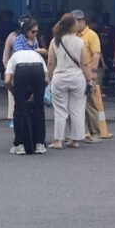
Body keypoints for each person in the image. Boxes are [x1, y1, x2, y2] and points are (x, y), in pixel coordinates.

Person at [48, 13, 91, 149]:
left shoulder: (55, 41)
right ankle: (75, 140)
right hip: (77, 78)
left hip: (59, 77)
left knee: (60, 110)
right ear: (72, 25)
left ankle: (58, 141)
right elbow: (84, 64)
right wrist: (89, 79)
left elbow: (50, 62)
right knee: (77, 109)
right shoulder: (79, 41)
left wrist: (49, 79)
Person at [5, 45, 47, 155]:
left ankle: (19, 145)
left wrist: (15, 92)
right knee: (39, 108)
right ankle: (40, 144)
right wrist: (36, 94)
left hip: (21, 69)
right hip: (38, 69)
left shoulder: (14, 56)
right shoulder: (37, 55)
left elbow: (7, 81)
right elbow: (46, 79)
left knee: (19, 110)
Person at [73, 10, 102, 141]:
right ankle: (78, 133)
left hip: (87, 74)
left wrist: (94, 71)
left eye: (76, 22)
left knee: (90, 105)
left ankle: (95, 133)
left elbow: (96, 53)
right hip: (74, 74)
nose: (75, 24)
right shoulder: (72, 35)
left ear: (82, 21)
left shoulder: (91, 35)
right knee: (75, 106)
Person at [98, 12, 115, 87]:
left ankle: (105, 81)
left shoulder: (109, 28)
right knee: (103, 66)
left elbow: (114, 39)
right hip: (102, 49)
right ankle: (104, 81)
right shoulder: (100, 27)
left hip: (107, 49)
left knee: (107, 65)